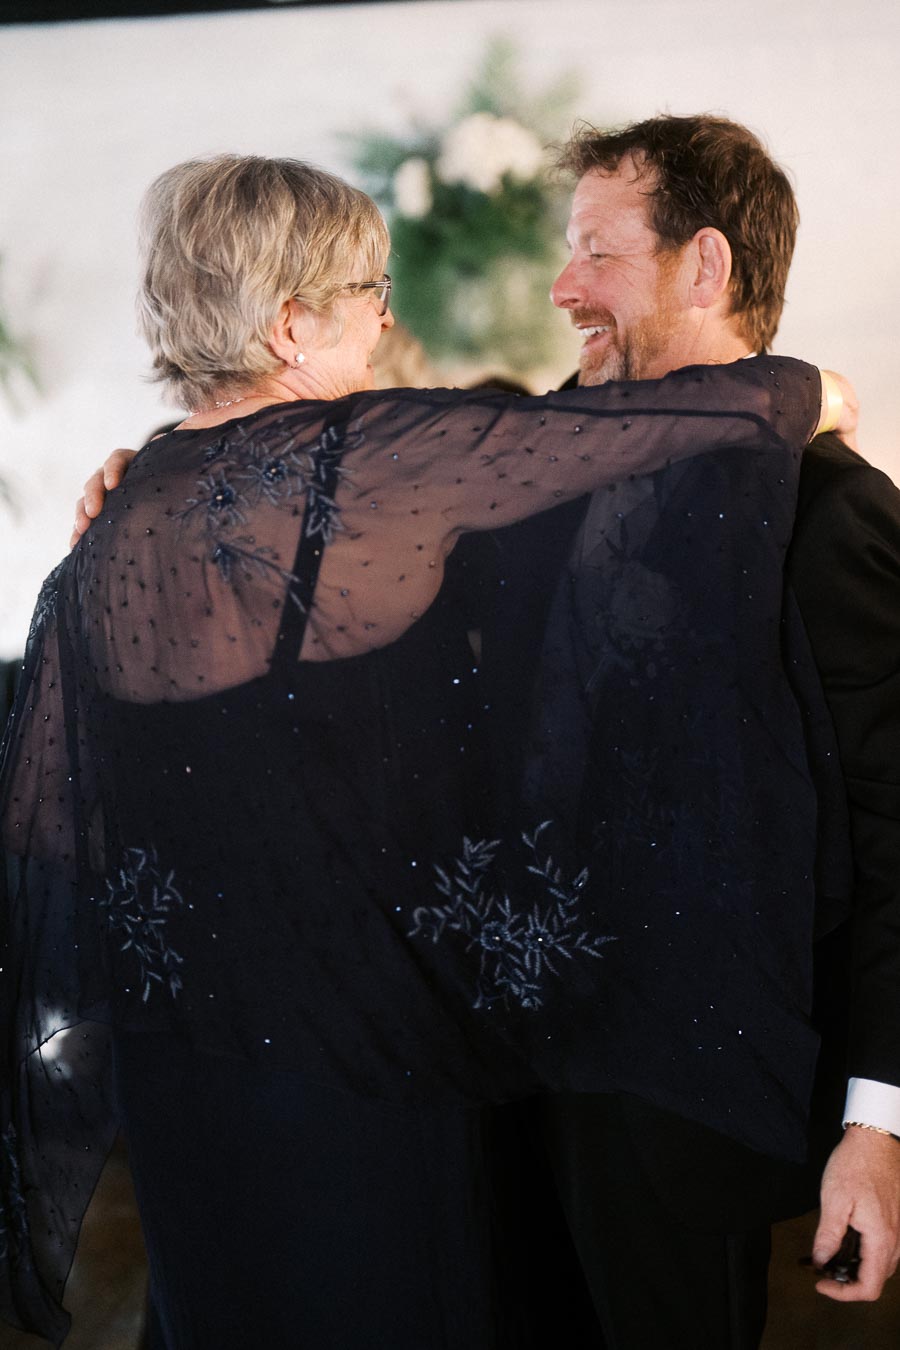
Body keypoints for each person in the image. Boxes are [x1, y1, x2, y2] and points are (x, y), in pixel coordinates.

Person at [0, 153, 839, 1349]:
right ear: (293, 324)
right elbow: (686, 420)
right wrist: (819, 398)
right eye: (370, 288)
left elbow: (43, 831)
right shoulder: (371, 465)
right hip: (364, 1066)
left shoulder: (111, 526)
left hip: (186, 1082)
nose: (390, 316)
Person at [456, 114, 900, 1348]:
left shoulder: (833, 513)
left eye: (596, 252)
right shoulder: (540, 462)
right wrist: (162, 475)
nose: (561, 287)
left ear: (705, 267)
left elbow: (895, 835)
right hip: (509, 1064)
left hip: (684, 1088)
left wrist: (880, 1124)